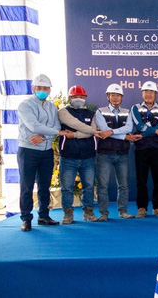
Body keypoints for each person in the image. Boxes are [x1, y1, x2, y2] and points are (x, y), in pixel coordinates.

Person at [17, 74, 65, 231]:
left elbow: (57, 127)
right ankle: (26, 218)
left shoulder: (52, 107)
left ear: (50, 90)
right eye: (39, 88)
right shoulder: (25, 105)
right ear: (33, 89)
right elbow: (34, 126)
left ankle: (43, 216)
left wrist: (44, 136)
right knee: (27, 186)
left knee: (45, 185)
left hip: (46, 151)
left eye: (46, 88)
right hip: (28, 150)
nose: (42, 90)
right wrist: (53, 132)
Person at [94, 83, 139, 221]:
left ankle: (123, 211)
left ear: (122, 97)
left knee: (123, 185)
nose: (115, 97)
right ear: (108, 96)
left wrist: (111, 132)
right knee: (103, 185)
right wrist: (124, 136)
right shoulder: (100, 112)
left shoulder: (127, 112)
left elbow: (129, 127)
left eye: (118, 95)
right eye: (112, 95)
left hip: (122, 153)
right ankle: (103, 213)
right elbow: (103, 130)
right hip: (105, 154)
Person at [58, 85, 99, 224]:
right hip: (68, 156)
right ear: (69, 98)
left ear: (85, 97)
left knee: (89, 187)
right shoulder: (63, 112)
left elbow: (93, 130)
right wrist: (90, 132)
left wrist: (75, 135)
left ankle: (88, 212)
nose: (78, 99)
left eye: (81, 96)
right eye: (75, 97)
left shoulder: (92, 114)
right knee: (66, 188)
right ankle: (68, 214)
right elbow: (78, 125)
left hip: (88, 156)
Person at [131, 81, 158, 218]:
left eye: (151, 92)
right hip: (141, 148)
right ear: (142, 93)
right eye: (146, 92)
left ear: (155, 94)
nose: (148, 95)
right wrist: (156, 131)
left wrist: (146, 133)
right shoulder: (135, 108)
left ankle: (157, 207)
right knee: (141, 180)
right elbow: (139, 125)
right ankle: (142, 208)